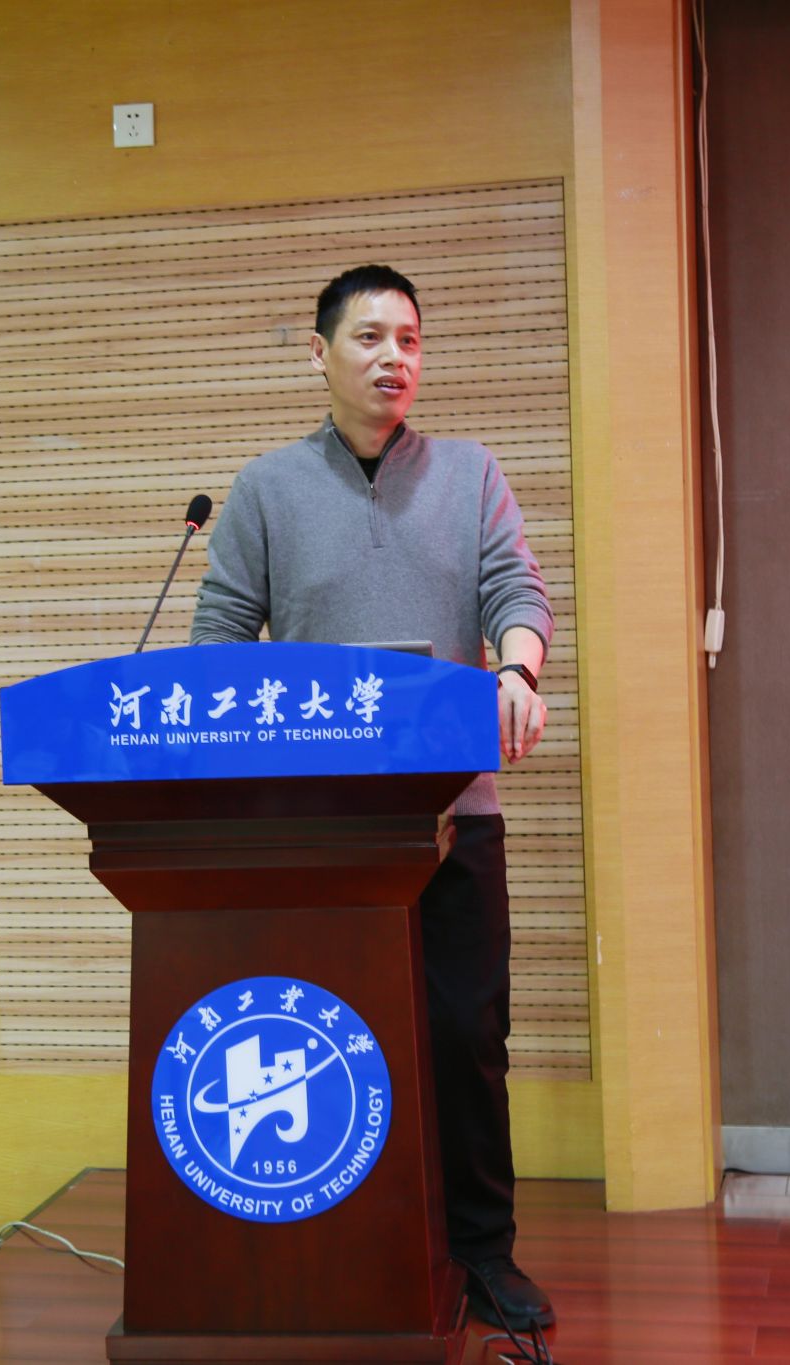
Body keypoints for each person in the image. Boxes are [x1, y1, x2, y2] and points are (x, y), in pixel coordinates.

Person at [189, 264, 555, 1330]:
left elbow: (515, 590)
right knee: (330, 1036)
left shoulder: (470, 473)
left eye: (410, 339)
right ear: (319, 354)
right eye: (369, 337)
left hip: (452, 814)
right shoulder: (265, 490)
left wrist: (517, 668)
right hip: (316, 830)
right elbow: (221, 636)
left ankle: (481, 1251)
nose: (395, 357)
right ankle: (341, 1243)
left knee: (464, 1035)